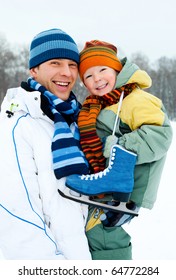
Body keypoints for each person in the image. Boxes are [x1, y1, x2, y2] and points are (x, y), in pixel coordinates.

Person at [65, 40, 173, 259]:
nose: (97, 78)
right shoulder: (99, 104)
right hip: (106, 185)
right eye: (88, 75)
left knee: (102, 233)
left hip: (125, 187)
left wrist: (117, 147)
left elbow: (161, 133)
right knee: (94, 231)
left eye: (103, 69)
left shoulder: (135, 99)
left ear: (117, 69)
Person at [0, 28, 91, 260]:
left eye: (72, 65)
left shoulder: (76, 120)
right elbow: (16, 216)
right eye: (55, 63)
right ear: (34, 69)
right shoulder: (18, 124)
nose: (66, 73)